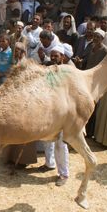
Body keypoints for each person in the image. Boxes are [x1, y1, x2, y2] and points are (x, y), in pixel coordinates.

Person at [38, 45, 70, 186]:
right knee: (46, 139)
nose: (53, 58)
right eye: (51, 56)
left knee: (60, 144)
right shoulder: (49, 70)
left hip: (63, 114)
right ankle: (49, 163)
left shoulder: (68, 72)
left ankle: (63, 174)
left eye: (56, 56)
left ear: (62, 57)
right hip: (49, 111)